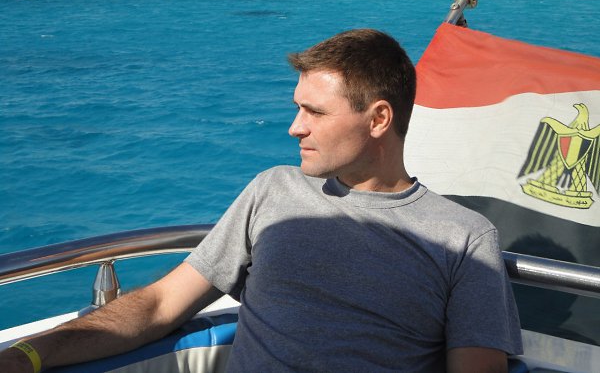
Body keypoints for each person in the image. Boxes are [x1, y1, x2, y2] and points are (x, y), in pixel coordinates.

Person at [0, 29, 522, 372]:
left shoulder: (462, 238)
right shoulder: (273, 191)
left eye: (315, 112)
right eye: (298, 108)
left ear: (379, 119)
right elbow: (159, 306)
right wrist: (29, 353)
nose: (295, 127)